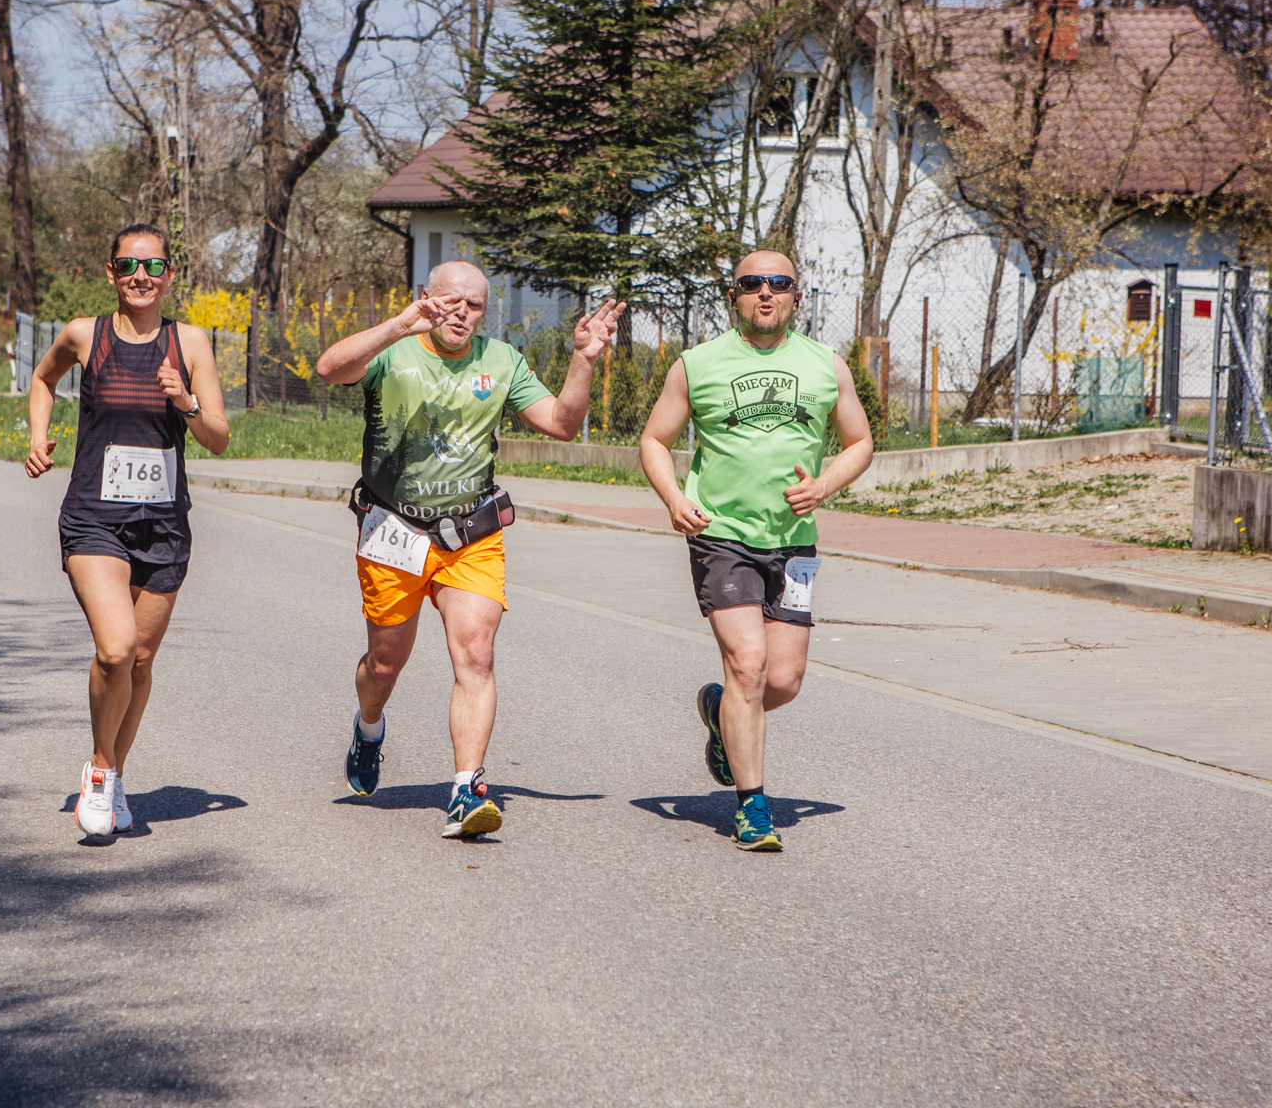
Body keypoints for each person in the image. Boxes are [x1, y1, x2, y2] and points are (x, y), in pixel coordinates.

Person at [315, 261, 623, 840]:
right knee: (385, 664)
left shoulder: (501, 361)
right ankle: (370, 725)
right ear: (426, 299)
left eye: (475, 305)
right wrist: (399, 325)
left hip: (469, 535)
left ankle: (466, 789)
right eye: (450, 301)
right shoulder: (394, 349)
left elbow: (560, 422)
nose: (461, 313)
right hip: (392, 532)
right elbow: (330, 368)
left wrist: (583, 361)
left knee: (476, 656)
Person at [638, 250, 875, 851]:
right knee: (748, 663)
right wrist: (672, 498)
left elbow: (860, 442)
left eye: (779, 284)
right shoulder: (698, 364)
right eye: (752, 284)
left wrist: (824, 485)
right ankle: (752, 807)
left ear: (797, 296)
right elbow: (655, 440)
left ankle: (723, 716)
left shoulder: (827, 365)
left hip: (793, 543)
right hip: (722, 535)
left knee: (785, 680)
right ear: (733, 296)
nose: (765, 293)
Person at [24, 224, 230, 840]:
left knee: (139, 661)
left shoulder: (188, 342)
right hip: (94, 518)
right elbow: (42, 380)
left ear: (171, 275)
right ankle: (100, 767)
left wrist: (187, 402)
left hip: (164, 525)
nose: (141, 276)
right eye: (128, 266)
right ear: (110, 273)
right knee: (115, 647)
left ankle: (114, 778)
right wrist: (38, 435)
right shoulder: (84, 334)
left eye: (154, 265)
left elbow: (218, 437)